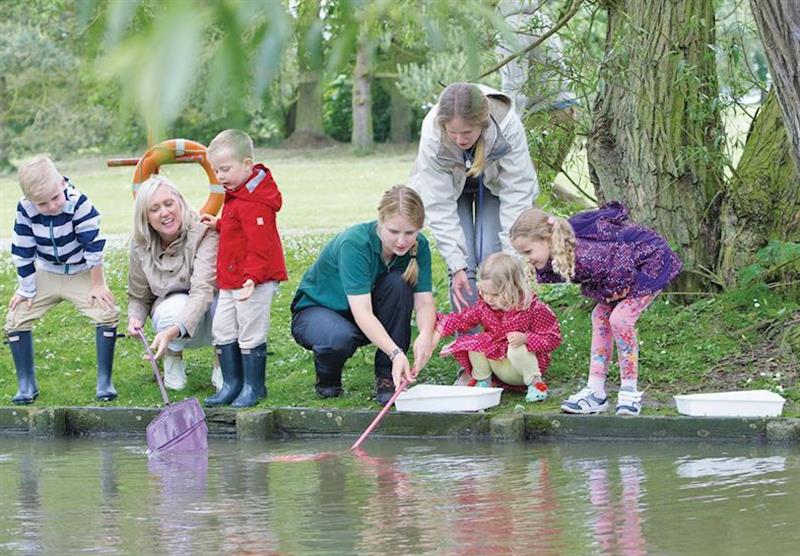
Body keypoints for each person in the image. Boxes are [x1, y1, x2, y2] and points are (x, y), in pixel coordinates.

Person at [510, 202, 682, 416]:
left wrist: (617, 288)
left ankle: (629, 391)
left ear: (546, 239)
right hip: (622, 269)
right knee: (600, 316)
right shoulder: (561, 253)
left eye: (528, 251)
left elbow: (619, 260)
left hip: (649, 262)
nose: (527, 258)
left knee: (621, 320)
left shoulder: (584, 252)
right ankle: (596, 390)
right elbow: (592, 278)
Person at [291, 185, 436, 405]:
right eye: (394, 232)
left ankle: (388, 377)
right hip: (320, 312)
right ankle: (328, 379)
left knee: (399, 284)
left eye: (410, 233)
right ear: (380, 220)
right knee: (338, 338)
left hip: (364, 314)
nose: (401, 241)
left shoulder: (419, 246)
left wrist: (426, 334)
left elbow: (424, 301)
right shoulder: (355, 243)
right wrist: (396, 352)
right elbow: (363, 312)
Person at [409, 82, 539, 315]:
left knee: (494, 257)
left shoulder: (506, 123)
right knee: (462, 265)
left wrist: (512, 257)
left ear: (482, 123)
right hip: (449, 188)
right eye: (453, 133)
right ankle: (470, 345)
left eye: (467, 132)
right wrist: (456, 263)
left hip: (495, 186)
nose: (459, 139)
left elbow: (517, 191)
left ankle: (501, 339)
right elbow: (437, 202)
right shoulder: (432, 131)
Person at [5, 155, 119, 404]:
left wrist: (98, 284)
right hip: (46, 272)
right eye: (42, 204)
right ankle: (27, 384)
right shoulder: (25, 209)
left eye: (55, 198)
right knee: (15, 318)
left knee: (106, 312)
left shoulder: (79, 204)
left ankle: (104, 381)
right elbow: (23, 250)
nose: (52, 206)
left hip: (81, 272)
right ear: (29, 199)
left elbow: (93, 247)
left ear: (62, 183)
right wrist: (26, 288)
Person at [200, 129, 287, 408]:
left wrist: (252, 278)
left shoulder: (257, 201)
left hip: (254, 280)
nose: (220, 176)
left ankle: (253, 386)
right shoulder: (236, 193)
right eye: (216, 171)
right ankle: (232, 383)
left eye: (225, 169)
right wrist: (220, 225)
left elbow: (260, 245)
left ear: (247, 165)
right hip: (231, 278)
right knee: (223, 328)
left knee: (250, 330)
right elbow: (239, 229)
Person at [126, 175, 220, 391]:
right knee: (173, 305)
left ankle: (221, 361)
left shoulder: (204, 232)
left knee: (223, 302)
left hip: (210, 314)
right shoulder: (140, 244)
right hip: (171, 315)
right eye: (155, 209)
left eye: (169, 204)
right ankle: (173, 357)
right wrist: (135, 318)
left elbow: (203, 290)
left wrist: (174, 330)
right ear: (146, 217)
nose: (165, 213)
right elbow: (139, 295)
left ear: (180, 202)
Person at [432, 252, 562, 402]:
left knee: (517, 347)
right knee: (475, 343)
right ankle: (483, 381)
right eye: (484, 292)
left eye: (494, 294)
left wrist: (526, 338)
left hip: (521, 368)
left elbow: (553, 338)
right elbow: (463, 319)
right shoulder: (484, 306)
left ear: (514, 288)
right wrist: (438, 325)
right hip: (500, 366)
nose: (488, 299)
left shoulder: (532, 308)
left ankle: (536, 384)